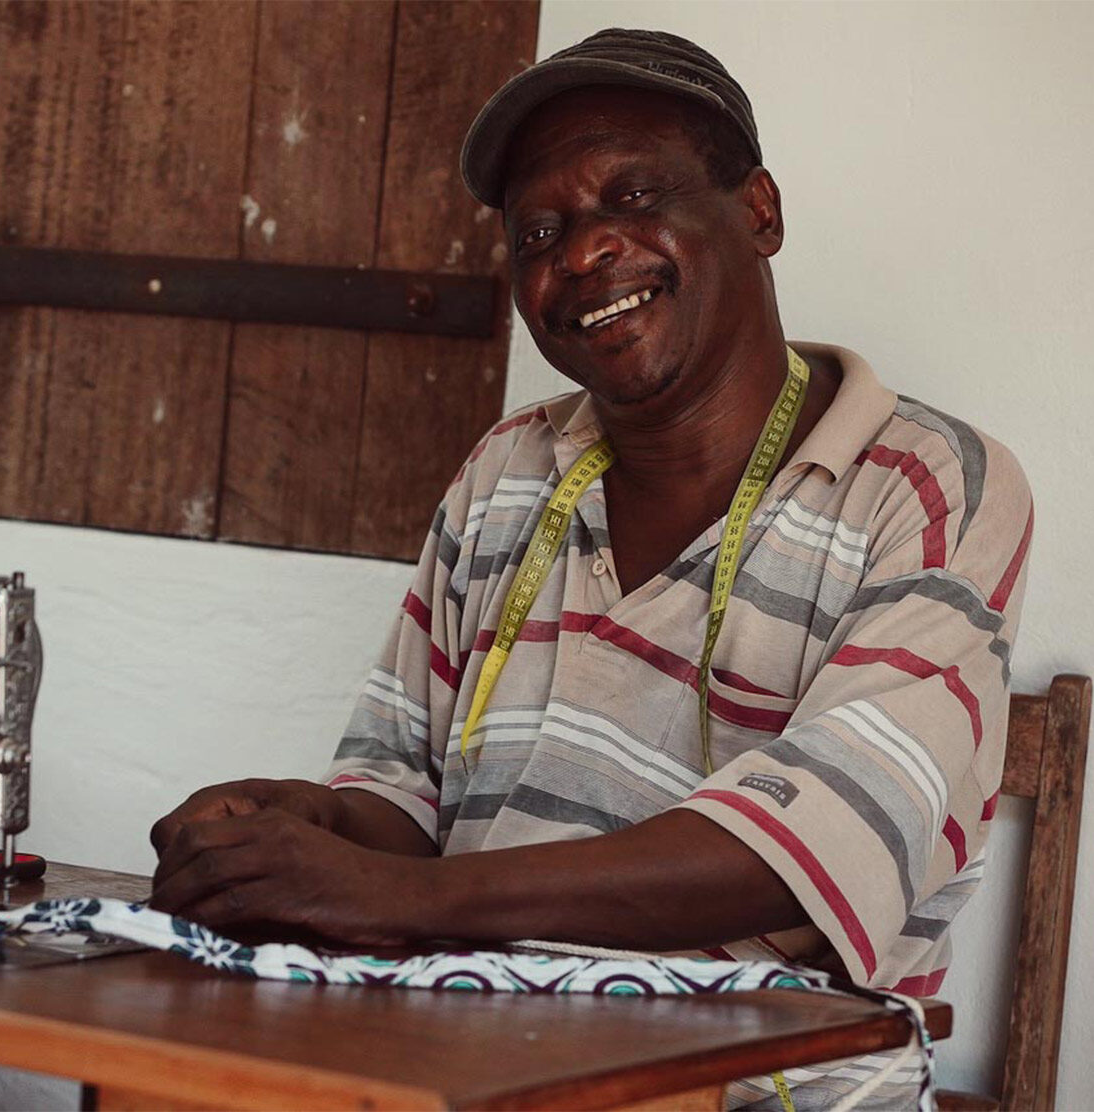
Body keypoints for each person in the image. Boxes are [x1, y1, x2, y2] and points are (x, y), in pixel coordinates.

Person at [150, 29, 1032, 1109]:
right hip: (467, 1068)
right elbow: (400, 788)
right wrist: (295, 826)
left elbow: (806, 848)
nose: (579, 254)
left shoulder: (930, 484)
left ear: (759, 212)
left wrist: (396, 894)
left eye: (632, 193)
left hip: (763, 1095)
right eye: (540, 232)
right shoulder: (506, 470)